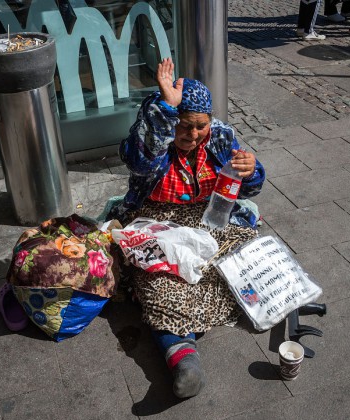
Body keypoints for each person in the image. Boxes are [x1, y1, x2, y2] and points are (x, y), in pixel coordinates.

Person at [107, 58, 265, 398]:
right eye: (184, 126)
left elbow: (246, 187)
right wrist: (167, 108)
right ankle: (183, 359)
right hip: (158, 218)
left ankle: (264, 305)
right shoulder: (149, 136)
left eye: (200, 126)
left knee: (234, 266)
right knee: (161, 280)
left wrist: (252, 171)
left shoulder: (220, 137)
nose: (192, 135)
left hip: (210, 215)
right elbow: (141, 159)